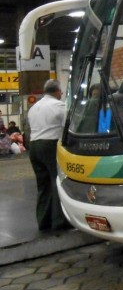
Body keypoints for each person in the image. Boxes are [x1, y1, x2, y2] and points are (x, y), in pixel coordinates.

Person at [27, 79, 70, 231]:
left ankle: (43, 221)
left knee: (43, 184)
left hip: (34, 146)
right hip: (50, 145)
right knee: (57, 181)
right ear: (57, 91)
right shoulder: (59, 106)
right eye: (61, 91)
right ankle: (59, 221)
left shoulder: (34, 107)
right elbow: (68, 128)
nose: (62, 93)